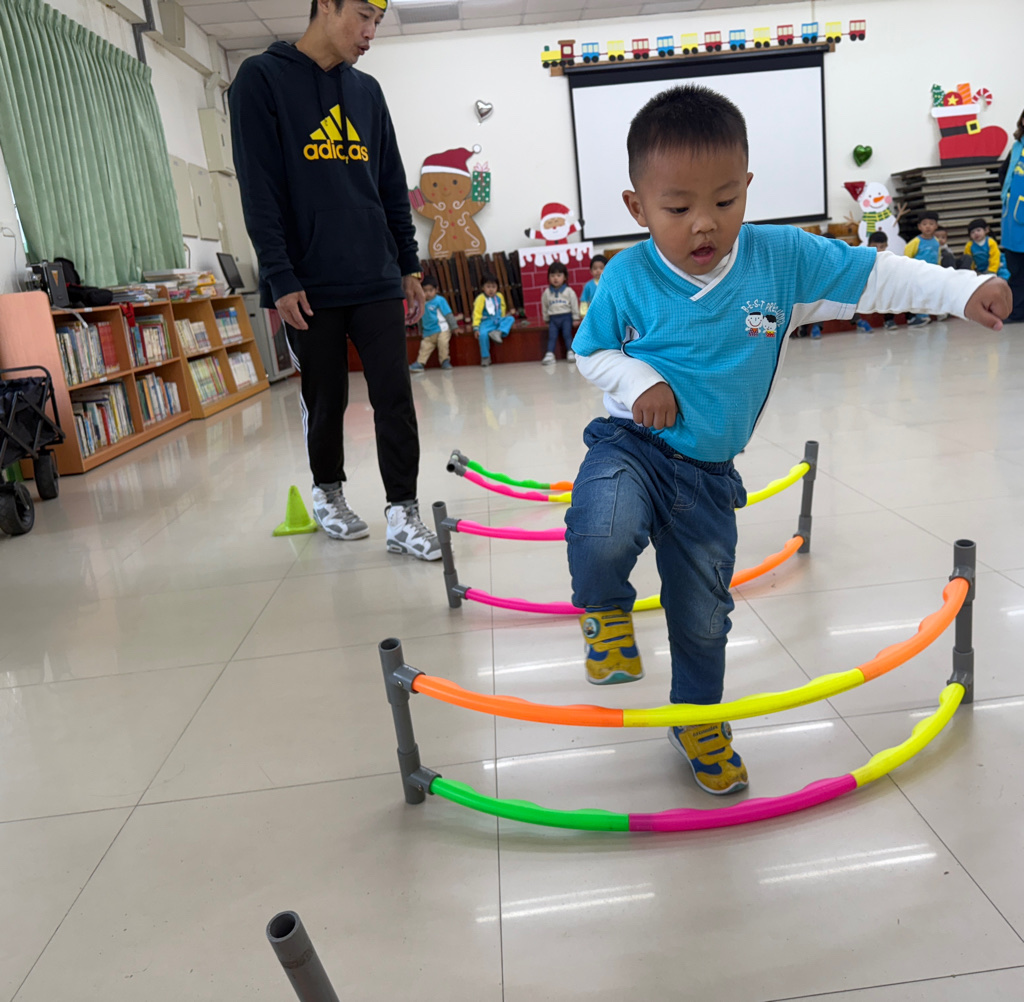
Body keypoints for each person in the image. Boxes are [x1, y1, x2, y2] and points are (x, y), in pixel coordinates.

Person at [568, 84, 1010, 797]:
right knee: (603, 527)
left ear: (747, 186)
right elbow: (590, 351)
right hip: (632, 446)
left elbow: (873, 276)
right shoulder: (626, 277)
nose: (705, 224)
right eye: (678, 209)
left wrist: (961, 290)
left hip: (708, 474)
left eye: (725, 201)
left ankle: (697, 719)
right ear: (637, 207)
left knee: (704, 616)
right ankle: (605, 613)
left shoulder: (778, 261)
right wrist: (639, 378)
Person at [229, 0, 440, 560]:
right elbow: (258, 187)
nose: (370, 33)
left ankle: (403, 513)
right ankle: (328, 492)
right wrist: (279, 274)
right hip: (309, 283)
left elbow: (391, 183)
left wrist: (408, 265)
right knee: (326, 399)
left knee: (395, 397)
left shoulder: (367, 92)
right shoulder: (261, 79)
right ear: (326, 4)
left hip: (375, 273)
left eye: (378, 22)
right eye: (363, 17)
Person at [1000, 108, 1024, 322]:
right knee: (1015, 269)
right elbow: (1003, 175)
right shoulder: (1016, 147)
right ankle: (1017, 311)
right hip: (1013, 219)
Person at [409, 276, 456, 371]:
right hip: (428, 332)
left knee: (443, 343)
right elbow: (420, 318)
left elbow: (448, 314)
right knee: (424, 346)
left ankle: (445, 361)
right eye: (425, 291)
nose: (428, 293)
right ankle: (420, 363)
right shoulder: (420, 303)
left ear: (436, 289)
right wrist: (421, 331)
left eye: (431, 290)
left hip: (442, 329)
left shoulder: (440, 300)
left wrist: (454, 327)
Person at [853, 232, 898, 330]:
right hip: (866, 289)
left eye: (882, 247)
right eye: (875, 246)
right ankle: (859, 321)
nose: (878, 250)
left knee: (893, 289)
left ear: (886, 246)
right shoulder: (863, 259)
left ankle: (889, 320)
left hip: (881, 290)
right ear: (868, 245)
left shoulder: (889, 261)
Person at [904, 211, 941, 326]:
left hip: (932, 274)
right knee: (920, 295)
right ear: (919, 227)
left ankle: (935, 312)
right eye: (924, 224)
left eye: (931, 224)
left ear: (936, 226)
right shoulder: (915, 242)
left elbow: (938, 257)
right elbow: (907, 257)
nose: (928, 226)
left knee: (930, 294)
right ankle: (921, 316)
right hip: (918, 275)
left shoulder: (936, 242)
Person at [541, 261, 581, 364]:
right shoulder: (547, 293)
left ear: (565, 277)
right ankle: (550, 354)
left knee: (567, 335)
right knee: (552, 336)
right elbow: (545, 306)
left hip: (566, 317)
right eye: (552, 275)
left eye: (559, 275)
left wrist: (576, 317)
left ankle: (570, 352)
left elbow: (574, 304)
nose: (555, 278)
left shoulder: (569, 291)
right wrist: (546, 319)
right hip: (553, 319)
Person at [471, 273, 514, 367]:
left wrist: (502, 317)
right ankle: (485, 357)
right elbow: (477, 313)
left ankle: (498, 332)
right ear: (483, 288)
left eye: (494, 287)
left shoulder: (499, 296)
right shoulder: (481, 298)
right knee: (483, 335)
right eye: (488, 287)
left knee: (510, 318)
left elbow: (502, 307)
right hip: (486, 322)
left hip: (497, 320)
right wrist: (476, 327)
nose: (491, 289)